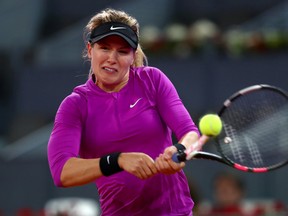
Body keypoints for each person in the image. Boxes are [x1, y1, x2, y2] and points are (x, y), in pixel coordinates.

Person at [47, 8, 200, 216]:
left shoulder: (152, 80)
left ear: (133, 56)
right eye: (105, 48)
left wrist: (180, 150)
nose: (112, 58)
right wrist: (117, 160)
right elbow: (62, 172)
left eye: (122, 51)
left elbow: (190, 132)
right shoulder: (74, 106)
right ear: (90, 49)